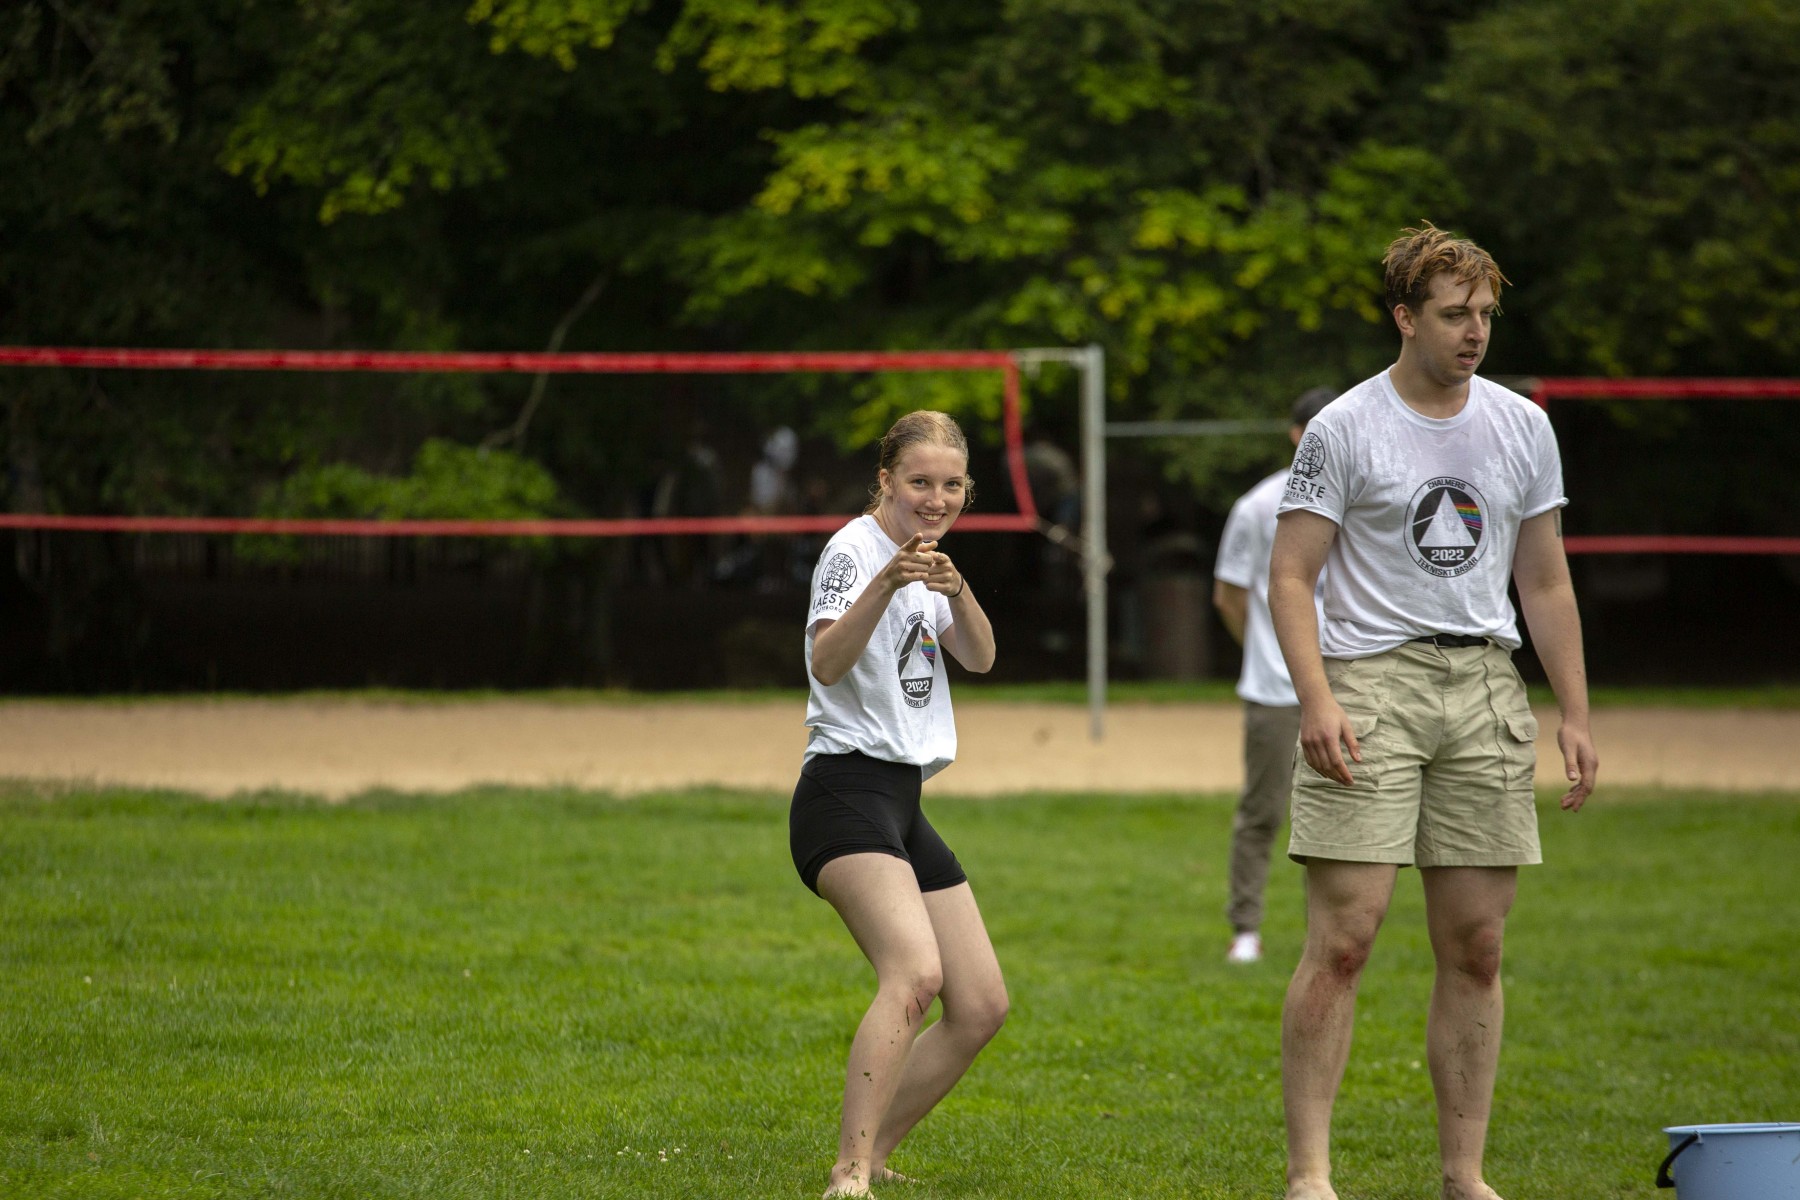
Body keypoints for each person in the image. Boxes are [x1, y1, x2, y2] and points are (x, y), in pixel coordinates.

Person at [1267, 224, 1598, 1200]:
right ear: (1405, 317)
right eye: (1455, 314)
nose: (1475, 332)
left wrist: (1575, 712)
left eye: (1486, 314)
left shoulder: (1522, 425)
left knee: (1479, 946)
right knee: (1346, 938)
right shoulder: (1344, 427)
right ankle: (1311, 1175)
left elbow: (1545, 580)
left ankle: (1465, 1176)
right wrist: (1317, 697)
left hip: (1486, 685)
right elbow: (1291, 576)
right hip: (1371, 684)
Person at [789, 410, 1007, 1198]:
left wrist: (959, 588)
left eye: (951, 485)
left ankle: (877, 1150)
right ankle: (850, 1173)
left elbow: (980, 657)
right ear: (886, 480)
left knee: (980, 1004)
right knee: (914, 974)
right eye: (919, 481)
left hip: (902, 802)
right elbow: (826, 661)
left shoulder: (932, 561)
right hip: (843, 793)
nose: (936, 498)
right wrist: (886, 583)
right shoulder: (854, 550)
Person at [1211, 385, 1337, 965]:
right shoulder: (1259, 506)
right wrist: (1267, 650)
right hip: (1274, 691)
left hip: (1352, 687)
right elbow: (1229, 595)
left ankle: (1332, 933)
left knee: (1342, 820)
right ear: (1295, 435)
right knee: (1262, 812)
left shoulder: (1366, 499)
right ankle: (1246, 930)